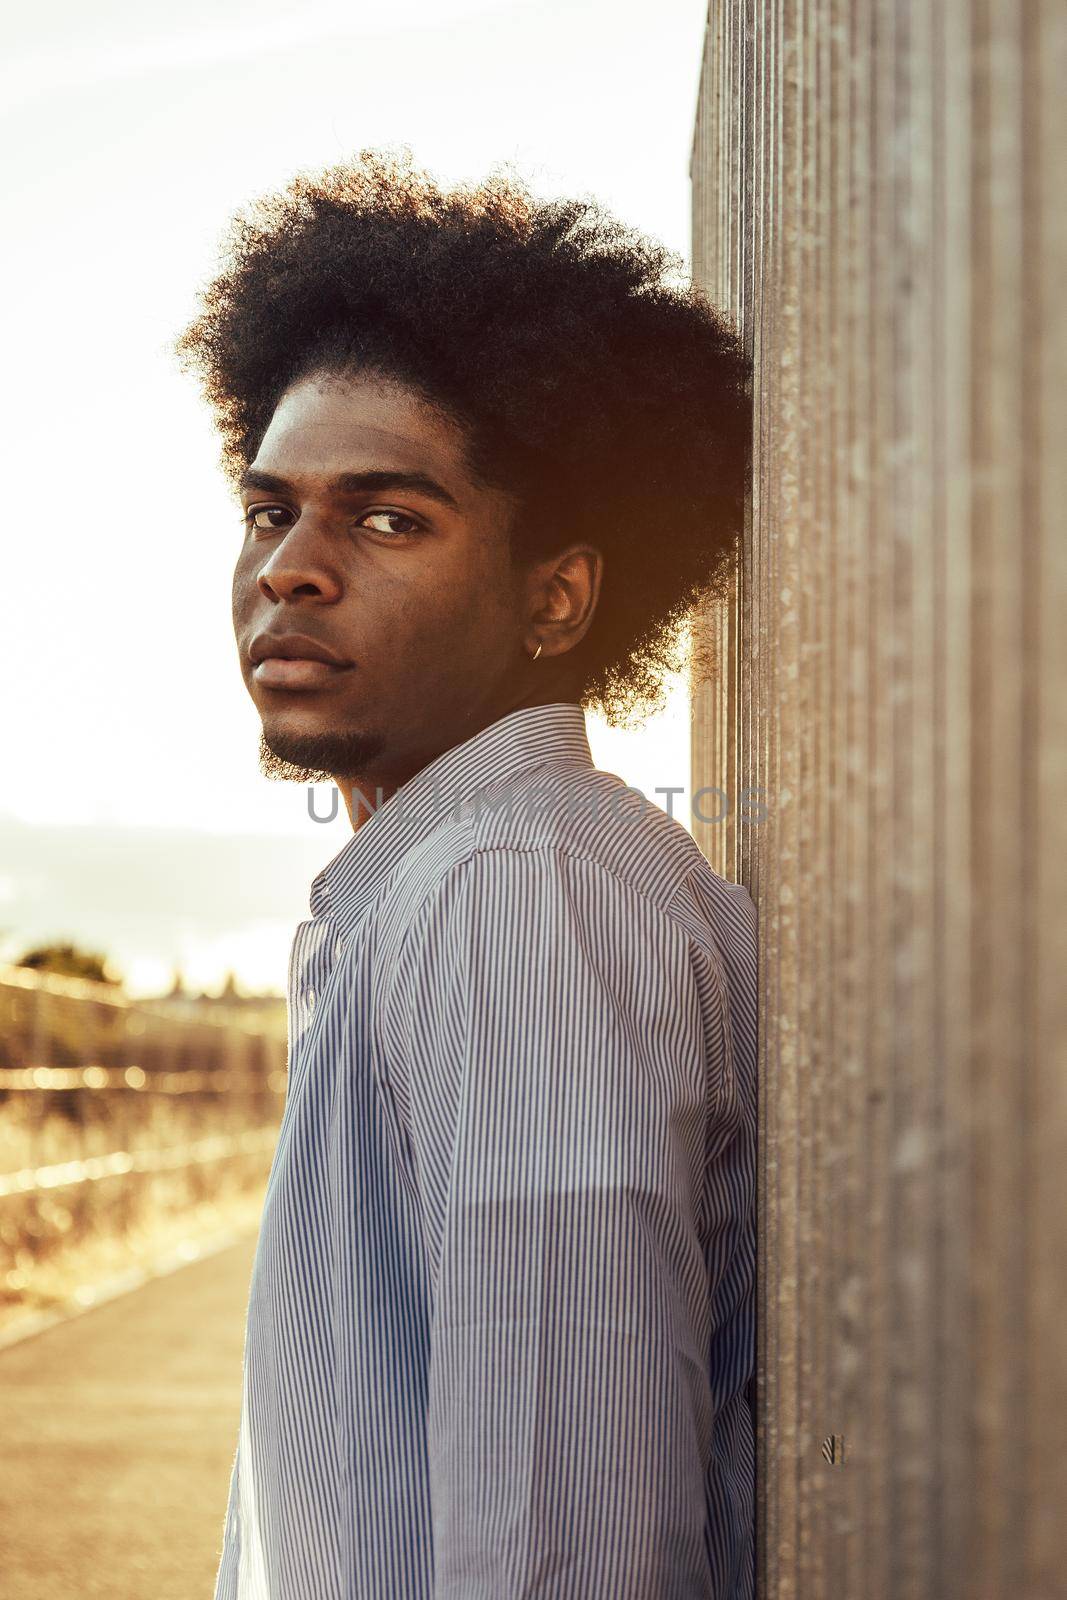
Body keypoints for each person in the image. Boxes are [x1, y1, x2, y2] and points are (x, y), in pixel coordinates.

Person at [176, 146, 756, 1600]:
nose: (291, 570)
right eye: (271, 510)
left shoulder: (519, 899)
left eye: (388, 518)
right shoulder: (453, 880)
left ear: (556, 598)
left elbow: (568, 1538)